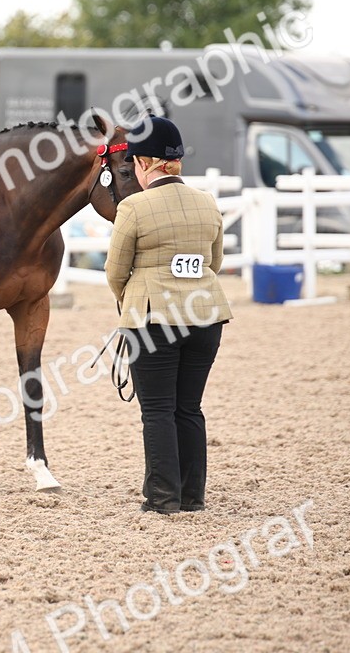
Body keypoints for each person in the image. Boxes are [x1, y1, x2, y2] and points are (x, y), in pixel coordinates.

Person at [104, 116, 232, 515]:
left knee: (157, 410)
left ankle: (162, 497)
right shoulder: (207, 202)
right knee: (188, 407)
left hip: (153, 319)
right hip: (206, 317)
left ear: (144, 163)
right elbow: (214, 261)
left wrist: (130, 300)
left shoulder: (134, 207)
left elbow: (115, 270)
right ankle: (192, 496)